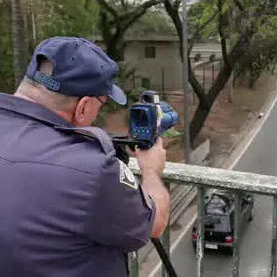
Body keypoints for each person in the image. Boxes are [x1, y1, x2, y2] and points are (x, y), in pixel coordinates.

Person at [0, 37, 170, 277]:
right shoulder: (92, 169)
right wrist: (151, 170)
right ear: (83, 107)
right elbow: (156, 221)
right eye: (102, 103)